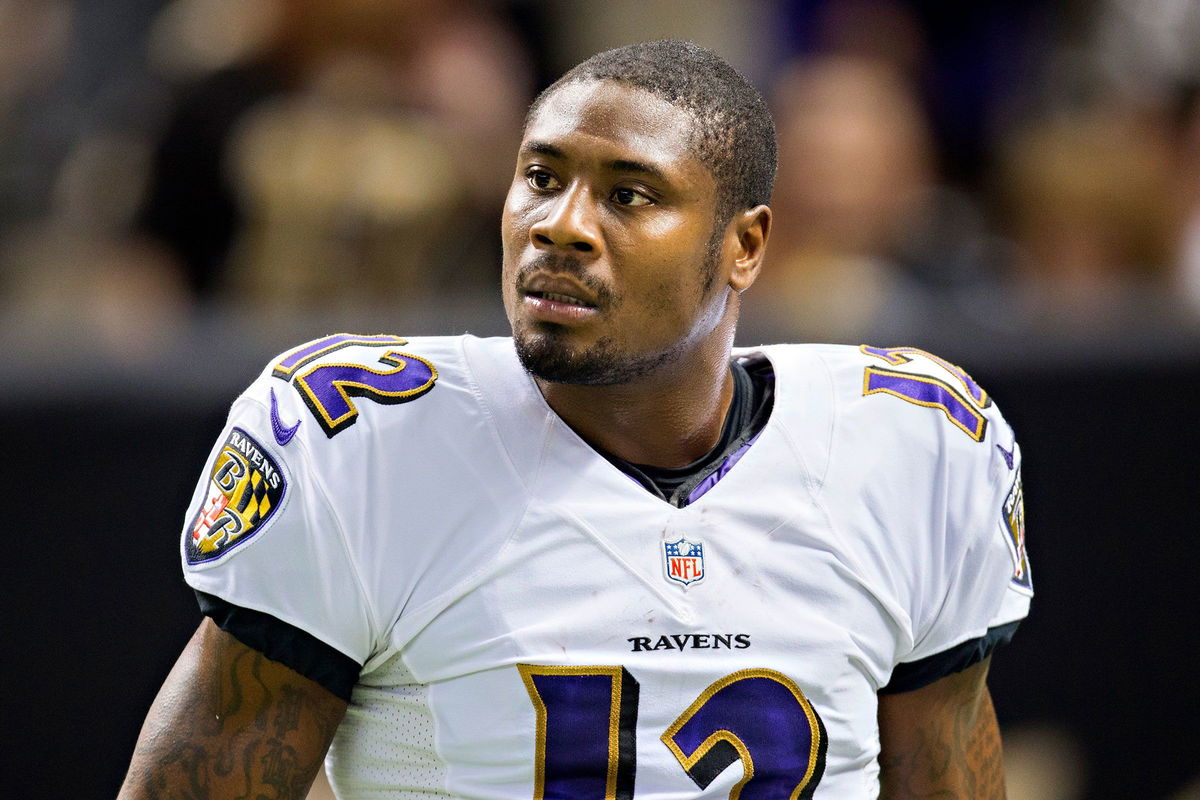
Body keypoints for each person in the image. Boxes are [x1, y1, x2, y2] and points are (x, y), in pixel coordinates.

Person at [119, 40, 1031, 799]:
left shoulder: (912, 447)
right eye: (541, 177)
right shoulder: (366, 443)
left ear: (744, 245)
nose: (562, 225)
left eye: (629, 194)